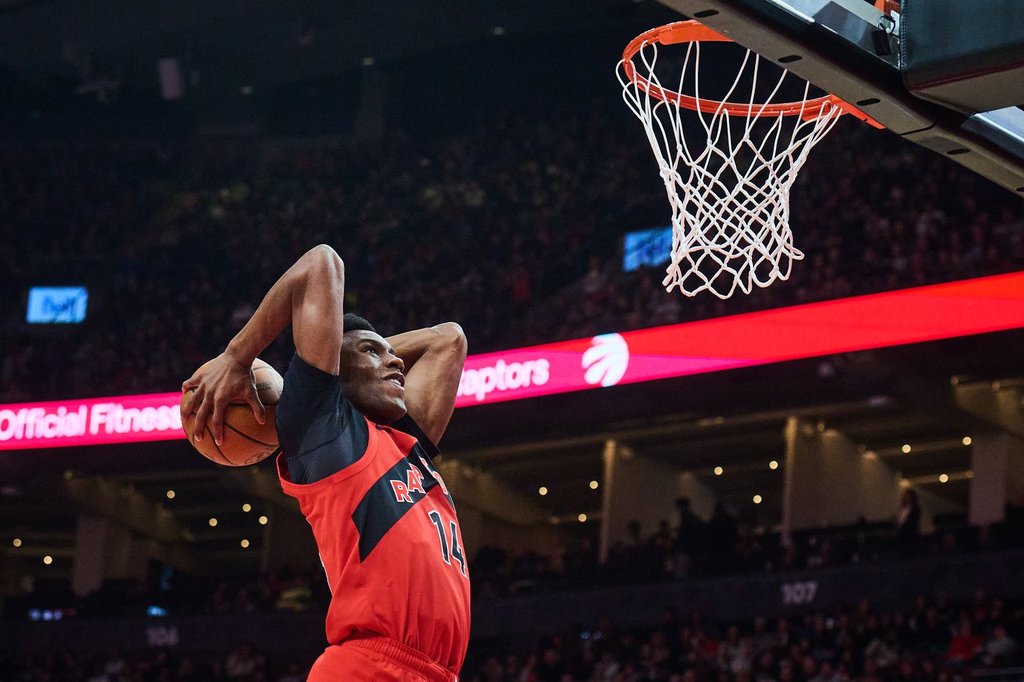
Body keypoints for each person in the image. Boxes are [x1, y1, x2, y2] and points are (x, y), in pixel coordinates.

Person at [183, 245, 470, 681]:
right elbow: (322, 262)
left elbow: (448, 339)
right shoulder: (324, 433)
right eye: (372, 352)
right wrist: (237, 356)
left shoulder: (406, 445)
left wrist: (364, 354)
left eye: (389, 354)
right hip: (370, 667)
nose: (396, 361)